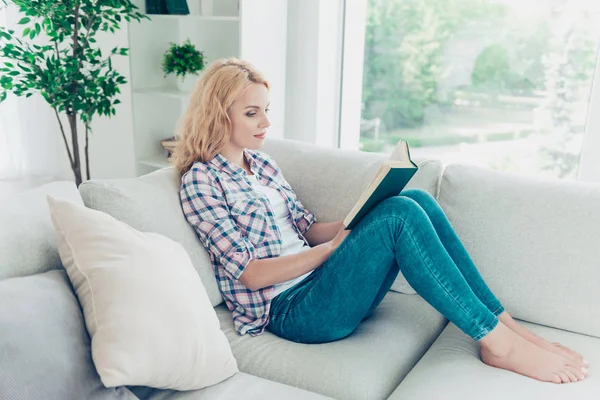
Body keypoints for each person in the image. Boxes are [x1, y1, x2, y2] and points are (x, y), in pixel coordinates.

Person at [173, 58, 589, 385]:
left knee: (414, 199)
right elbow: (251, 274)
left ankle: (506, 326)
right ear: (218, 114)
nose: (266, 123)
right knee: (400, 215)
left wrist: (361, 215)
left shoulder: (260, 164)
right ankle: (497, 344)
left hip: (322, 281)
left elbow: (303, 227)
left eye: (266, 110)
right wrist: (330, 251)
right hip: (291, 310)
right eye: (252, 113)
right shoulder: (201, 181)